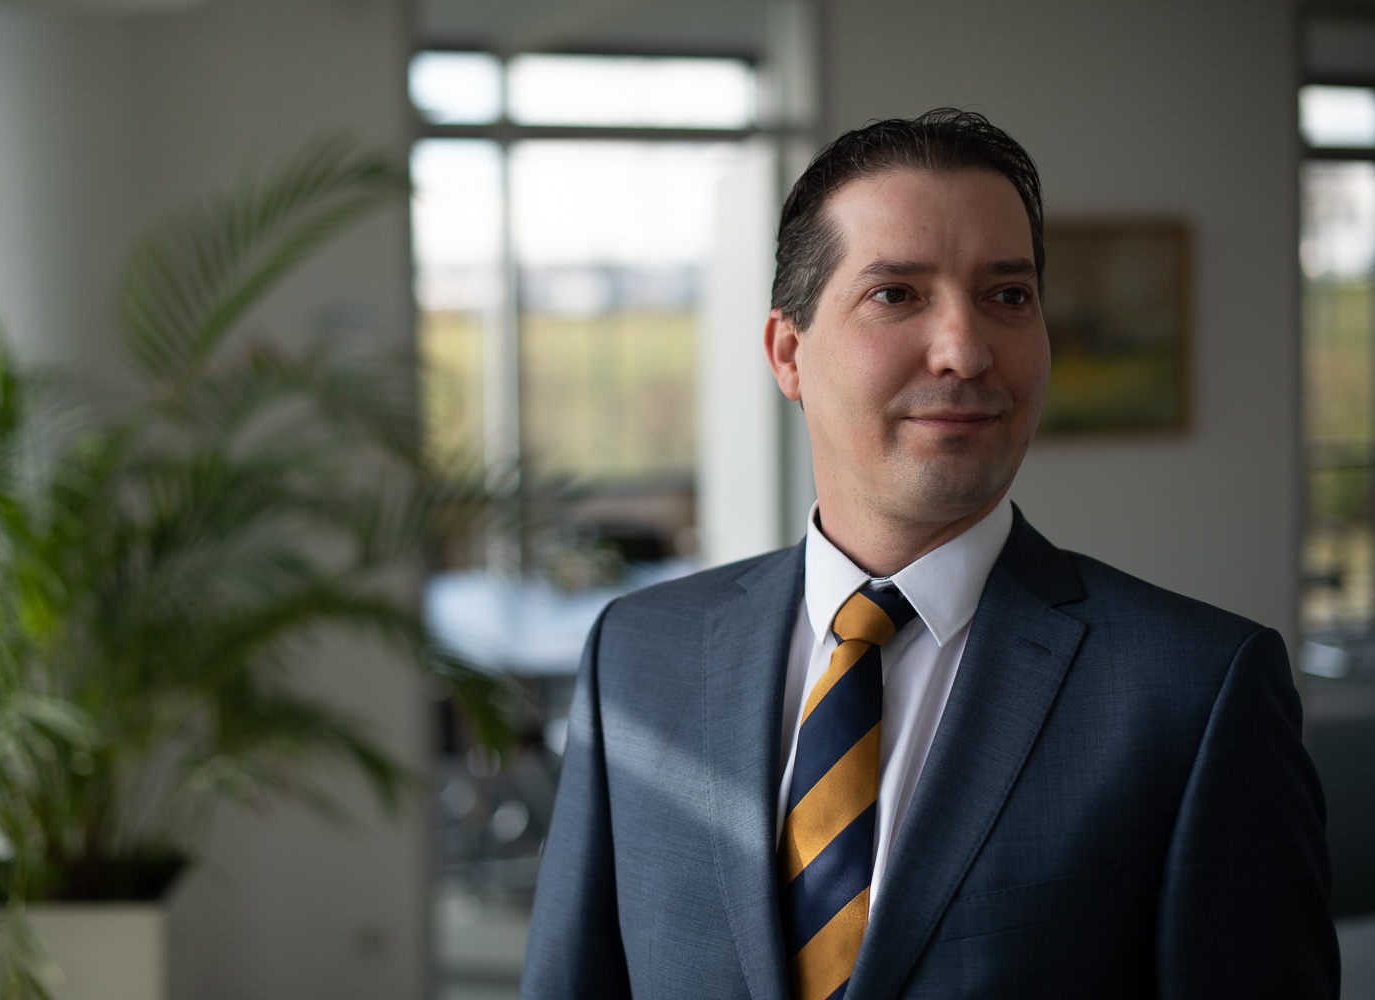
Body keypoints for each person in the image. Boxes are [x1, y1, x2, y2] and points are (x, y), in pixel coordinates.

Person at [517, 109, 1338, 1000]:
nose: (966, 351)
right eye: (897, 294)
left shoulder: (1198, 691)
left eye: (1008, 296)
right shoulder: (637, 656)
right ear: (788, 353)